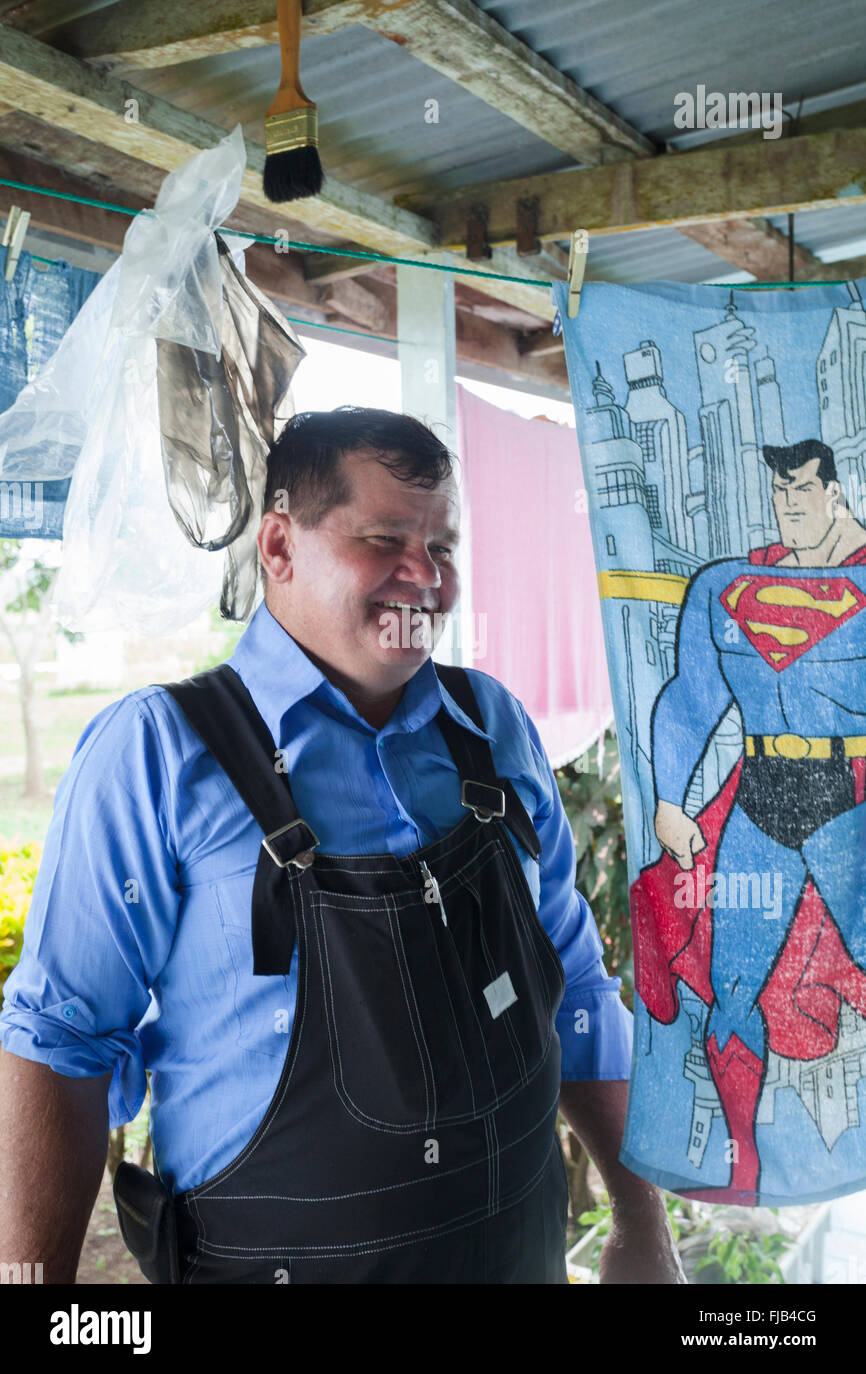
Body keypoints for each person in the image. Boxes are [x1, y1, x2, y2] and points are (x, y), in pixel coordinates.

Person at [0, 407, 681, 1284]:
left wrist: (641, 1220)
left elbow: (576, 984)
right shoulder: (158, 756)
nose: (424, 576)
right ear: (278, 547)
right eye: (384, 537)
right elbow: (57, 1042)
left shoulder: (492, 725)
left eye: (443, 547)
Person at [650, 439, 866, 1201]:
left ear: (837, 494)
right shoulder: (727, 586)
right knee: (731, 986)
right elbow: (690, 697)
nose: (792, 503)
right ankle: (743, 1162)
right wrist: (671, 799)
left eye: (805, 489)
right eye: (781, 492)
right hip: (763, 801)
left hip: (849, 804)